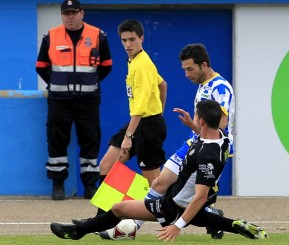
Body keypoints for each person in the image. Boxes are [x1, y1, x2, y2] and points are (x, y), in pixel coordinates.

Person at [50, 100, 268, 241]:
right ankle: (235, 226)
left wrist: (177, 227)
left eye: (196, 117)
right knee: (201, 217)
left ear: (202, 121)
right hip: (179, 198)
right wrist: (193, 126)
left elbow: (200, 196)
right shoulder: (221, 138)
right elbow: (207, 135)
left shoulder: (207, 154)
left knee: (119, 208)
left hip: (174, 205)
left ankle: (77, 232)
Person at [98, 43, 235, 239]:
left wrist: (193, 126)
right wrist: (193, 126)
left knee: (186, 201)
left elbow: (220, 125)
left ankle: (213, 218)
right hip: (193, 145)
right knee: (159, 183)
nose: (187, 74)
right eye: (184, 70)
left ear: (204, 65)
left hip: (210, 149)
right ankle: (132, 227)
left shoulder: (220, 87)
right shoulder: (204, 85)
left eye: (190, 69)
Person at [35, 0, 112, 200]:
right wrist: (56, 84)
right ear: (62, 16)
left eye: (74, 13)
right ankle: (58, 184)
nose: (70, 17)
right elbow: (41, 66)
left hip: (88, 100)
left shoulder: (98, 36)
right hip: (59, 100)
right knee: (57, 139)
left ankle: (90, 185)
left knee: (90, 140)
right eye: (66, 13)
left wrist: (90, 83)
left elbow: (106, 65)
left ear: (82, 13)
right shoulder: (51, 37)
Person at [96, 19, 167, 204]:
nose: (128, 44)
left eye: (132, 39)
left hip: (147, 126)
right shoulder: (134, 60)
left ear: (141, 38)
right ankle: (104, 219)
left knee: (155, 186)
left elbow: (140, 107)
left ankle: (178, 218)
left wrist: (129, 135)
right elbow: (163, 85)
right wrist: (159, 112)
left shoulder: (141, 65)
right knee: (106, 165)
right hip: (141, 123)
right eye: (124, 40)